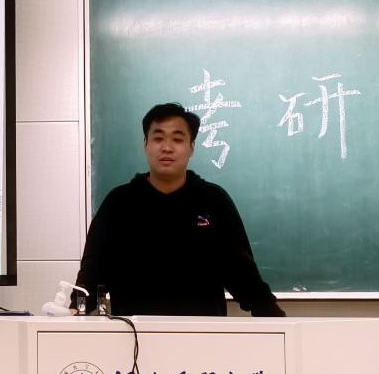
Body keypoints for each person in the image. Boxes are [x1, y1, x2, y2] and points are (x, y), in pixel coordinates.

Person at [74, 102, 284, 317]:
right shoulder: (119, 203)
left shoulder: (214, 201)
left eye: (177, 139)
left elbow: (242, 273)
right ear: (145, 144)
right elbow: (93, 271)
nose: (167, 147)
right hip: (135, 333)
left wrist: (276, 319)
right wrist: (74, 310)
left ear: (191, 147)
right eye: (158, 138)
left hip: (204, 332)